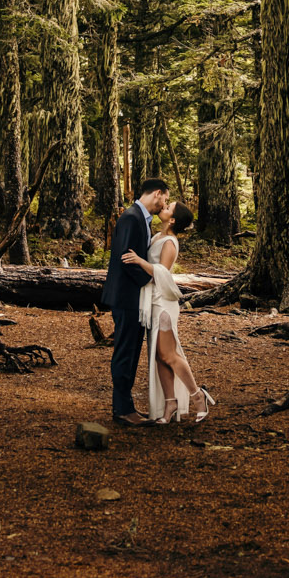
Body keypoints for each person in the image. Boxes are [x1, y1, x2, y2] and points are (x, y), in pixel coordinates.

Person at [125, 201, 215, 424]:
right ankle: (170, 403)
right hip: (152, 303)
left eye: (168, 208)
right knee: (158, 357)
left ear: (172, 219)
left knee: (169, 355)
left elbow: (162, 275)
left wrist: (138, 260)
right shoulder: (156, 236)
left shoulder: (169, 243)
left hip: (164, 303)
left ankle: (198, 396)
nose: (163, 207)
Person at [102, 178, 168, 425]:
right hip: (126, 296)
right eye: (165, 199)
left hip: (131, 297)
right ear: (157, 194)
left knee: (130, 352)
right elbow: (126, 258)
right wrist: (151, 279)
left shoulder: (139, 218)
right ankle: (121, 409)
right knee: (125, 353)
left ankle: (125, 406)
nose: (165, 204)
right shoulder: (131, 218)